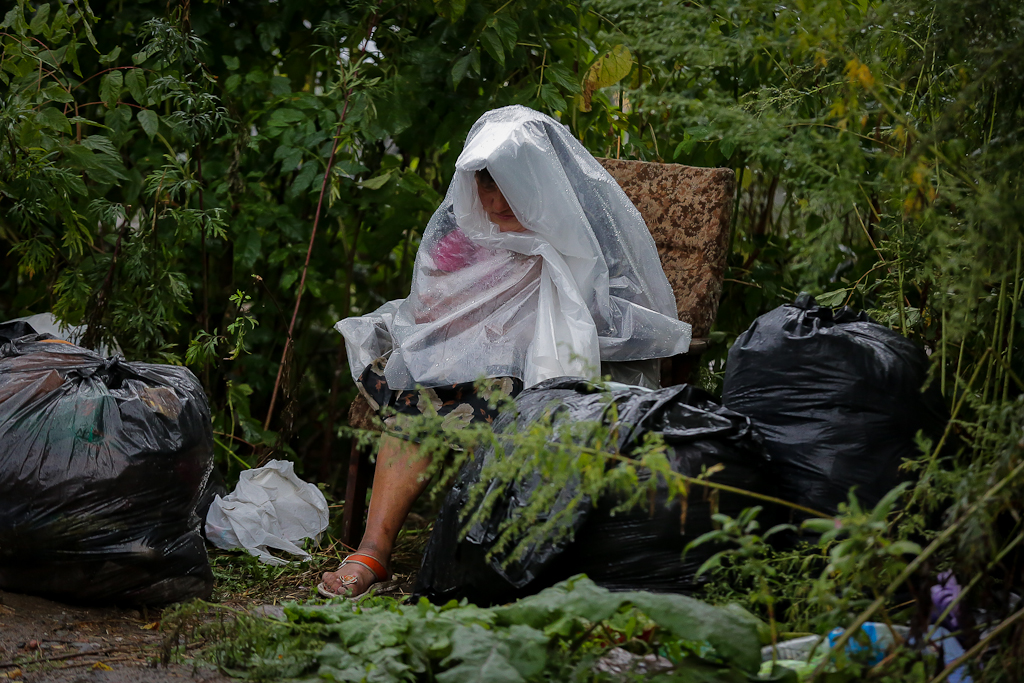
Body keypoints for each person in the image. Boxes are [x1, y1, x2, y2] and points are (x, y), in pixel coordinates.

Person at [319, 105, 691, 598]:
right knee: (416, 400)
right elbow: (432, 313)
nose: (495, 201)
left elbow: (628, 320)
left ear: (537, 180)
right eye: (485, 186)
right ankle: (373, 550)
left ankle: (511, 560)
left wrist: (545, 310)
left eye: (508, 184)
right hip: (465, 366)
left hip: (561, 375)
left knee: (486, 402)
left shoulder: (591, 237)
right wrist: (480, 330)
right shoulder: (460, 238)